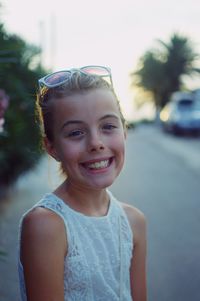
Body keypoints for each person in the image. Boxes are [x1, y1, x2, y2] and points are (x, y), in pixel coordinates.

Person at [18, 66, 147, 301]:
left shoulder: (134, 222)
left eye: (108, 126)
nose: (96, 143)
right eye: (76, 132)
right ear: (52, 147)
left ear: (124, 131)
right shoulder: (46, 226)